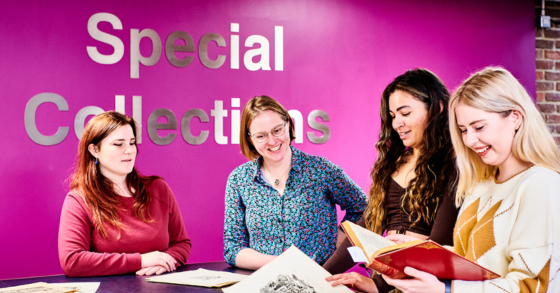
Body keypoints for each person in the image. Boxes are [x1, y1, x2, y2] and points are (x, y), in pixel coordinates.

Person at [331, 67, 560, 293]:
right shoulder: (479, 184)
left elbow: (532, 286)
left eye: (479, 127)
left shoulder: (540, 184)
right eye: (462, 130)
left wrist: (446, 289)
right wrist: (412, 251)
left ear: (515, 118)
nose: (470, 140)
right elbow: (470, 259)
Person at [324, 68, 459, 293]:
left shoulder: (455, 165)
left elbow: (437, 248)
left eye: (405, 113)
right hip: (391, 282)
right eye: (393, 115)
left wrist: (379, 285)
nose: (397, 124)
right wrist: (318, 277)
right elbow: (364, 231)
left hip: (427, 285)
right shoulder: (392, 163)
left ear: (437, 108)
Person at [223, 95, 368, 270]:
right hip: (263, 282)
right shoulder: (239, 180)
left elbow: (363, 207)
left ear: (289, 125)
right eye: (261, 136)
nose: (272, 141)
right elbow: (232, 249)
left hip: (319, 281)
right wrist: (280, 264)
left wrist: (342, 236)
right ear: (250, 139)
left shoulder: (320, 170)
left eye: (277, 130)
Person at [58, 111, 191, 277]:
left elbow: (181, 243)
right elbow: (72, 261)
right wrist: (141, 261)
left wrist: (167, 261)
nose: (129, 151)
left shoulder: (159, 188)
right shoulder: (79, 199)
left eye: (132, 142)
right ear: (94, 150)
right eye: (118, 144)